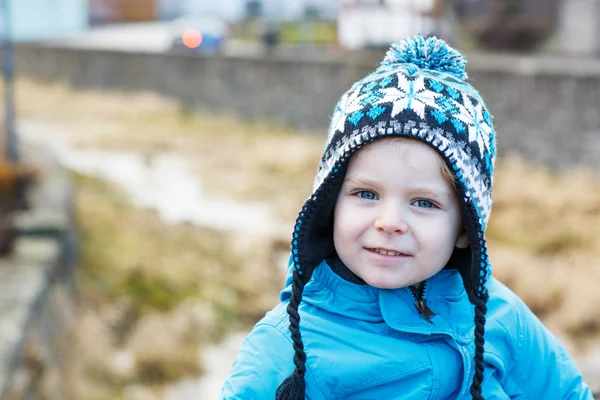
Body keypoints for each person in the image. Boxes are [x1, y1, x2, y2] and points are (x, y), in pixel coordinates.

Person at [220, 35, 593, 399]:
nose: (389, 221)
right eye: (366, 194)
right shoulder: (284, 348)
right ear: (330, 205)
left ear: (466, 228)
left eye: (424, 203)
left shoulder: (503, 319)